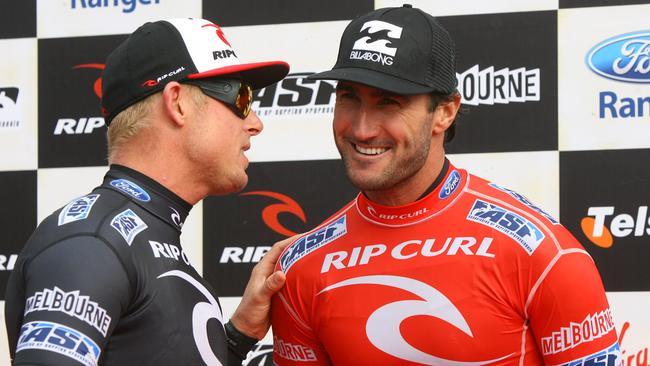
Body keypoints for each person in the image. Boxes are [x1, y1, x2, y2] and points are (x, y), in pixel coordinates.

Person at [271, 5, 621, 365]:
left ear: (445, 111)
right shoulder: (301, 268)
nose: (362, 128)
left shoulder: (539, 252)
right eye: (349, 98)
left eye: (389, 102)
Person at [5, 17, 291, 366]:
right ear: (178, 102)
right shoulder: (90, 244)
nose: (255, 123)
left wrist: (239, 334)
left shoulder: (135, 240)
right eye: (241, 98)